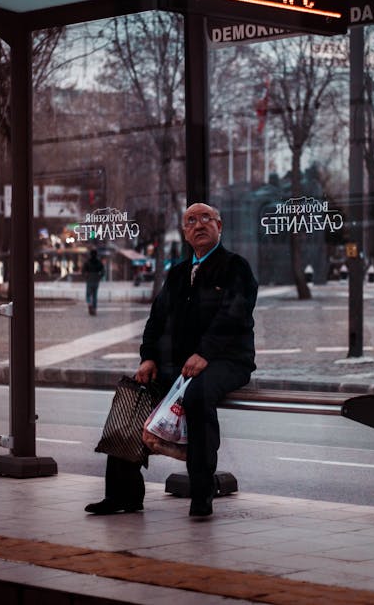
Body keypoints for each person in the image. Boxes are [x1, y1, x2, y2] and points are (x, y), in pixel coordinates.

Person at [85, 202, 258, 518]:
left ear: (220, 226)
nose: (199, 224)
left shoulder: (236, 267)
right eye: (191, 220)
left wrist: (205, 353)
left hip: (227, 360)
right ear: (185, 231)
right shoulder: (178, 273)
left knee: (197, 395)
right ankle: (123, 495)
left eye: (207, 218)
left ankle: (202, 494)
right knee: (132, 397)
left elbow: (234, 315)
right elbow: (157, 318)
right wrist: (148, 357)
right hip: (179, 364)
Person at [82, 248, 104, 315]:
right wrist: (99, 277)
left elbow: (83, 271)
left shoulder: (87, 262)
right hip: (96, 280)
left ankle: (89, 303)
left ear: (90, 254)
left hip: (89, 280)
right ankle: (94, 308)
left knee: (88, 294)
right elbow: (103, 271)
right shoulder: (99, 262)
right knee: (95, 295)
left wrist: (86, 277)